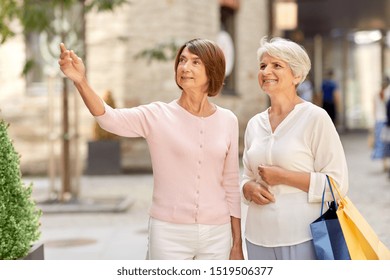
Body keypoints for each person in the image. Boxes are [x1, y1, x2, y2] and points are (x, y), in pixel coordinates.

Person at [58, 38, 244, 260]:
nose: (185, 67)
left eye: (196, 62)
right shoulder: (157, 115)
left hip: (217, 233)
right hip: (169, 233)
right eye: (182, 60)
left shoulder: (228, 120)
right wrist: (81, 81)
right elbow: (109, 119)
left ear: (212, 71)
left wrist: (237, 243)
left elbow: (231, 183)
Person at [241, 37, 349, 260]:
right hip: (256, 237)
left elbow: (337, 185)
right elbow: (246, 177)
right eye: (263, 65)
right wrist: (247, 189)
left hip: (303, 237)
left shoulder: (315, 118)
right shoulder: (254, 124)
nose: (266, 71)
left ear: (297, 76)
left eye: (276, 65)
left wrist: (284, 177)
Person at [371, 77, 390, 171]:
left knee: (381, 143)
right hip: (386, 121)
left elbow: (374, 110)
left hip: (379, 121)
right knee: (387, 143)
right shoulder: (388, 94)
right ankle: (387, 164)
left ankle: (384, 163)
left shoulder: (376, 94)